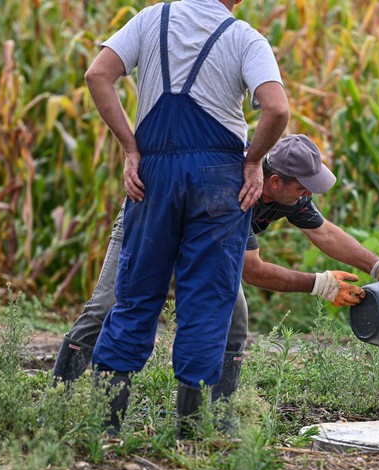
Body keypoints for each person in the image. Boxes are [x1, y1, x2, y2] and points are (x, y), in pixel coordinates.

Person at [52, 135, 379, 428]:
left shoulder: (287, 193)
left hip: (208, 240)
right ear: (275, 181)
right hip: (149, 221)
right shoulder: (236, 187)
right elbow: (251, 270)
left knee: (234, 320)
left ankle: (213, 418)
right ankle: (58, 399)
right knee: (106, 307)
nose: (309, 195)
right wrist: (322, 285)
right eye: (304, 188)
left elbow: (324, 233)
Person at [83, 0, 289, 435]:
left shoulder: (149, 19)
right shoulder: (245, 37)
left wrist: (129, 147)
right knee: (207, 302)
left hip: (154, 174)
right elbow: (277, 108)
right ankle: (190, 431)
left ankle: (105, 426)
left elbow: (97, 75)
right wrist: (254, 162)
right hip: (220, 180)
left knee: (136, 294)